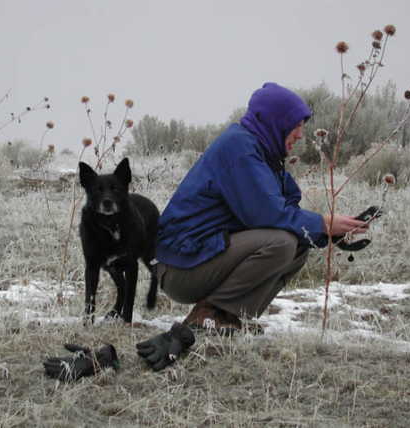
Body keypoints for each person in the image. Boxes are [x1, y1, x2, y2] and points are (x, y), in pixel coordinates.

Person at [155, 82, 368, 334]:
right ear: (274, 121)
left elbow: (284, 206)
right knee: (282, 243)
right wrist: (321, 223)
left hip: (201, 256)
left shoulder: (262, 152)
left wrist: (328, 233)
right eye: (296, 125)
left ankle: (230, 316)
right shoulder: (239, 149)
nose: (300, 134)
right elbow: (266, 214)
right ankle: (209, 315)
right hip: (181, 268)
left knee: (300, 243)